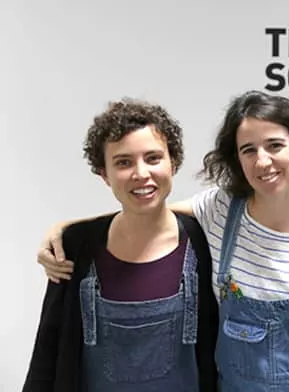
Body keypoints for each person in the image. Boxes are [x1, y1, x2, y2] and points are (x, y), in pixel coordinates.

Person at [38, 90, 289, 391]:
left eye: (275, 145)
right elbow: (148, 207)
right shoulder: (220, 210)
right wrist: (69, 230)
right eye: (249, 150)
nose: (262, 161)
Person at [24, 99, 219, 392]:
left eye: (153, 158)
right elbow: (47, 352)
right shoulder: (74, 247)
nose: (141, 173)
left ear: (173, 163)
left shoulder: (205, 242)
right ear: (104, 174)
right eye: (123, 162)